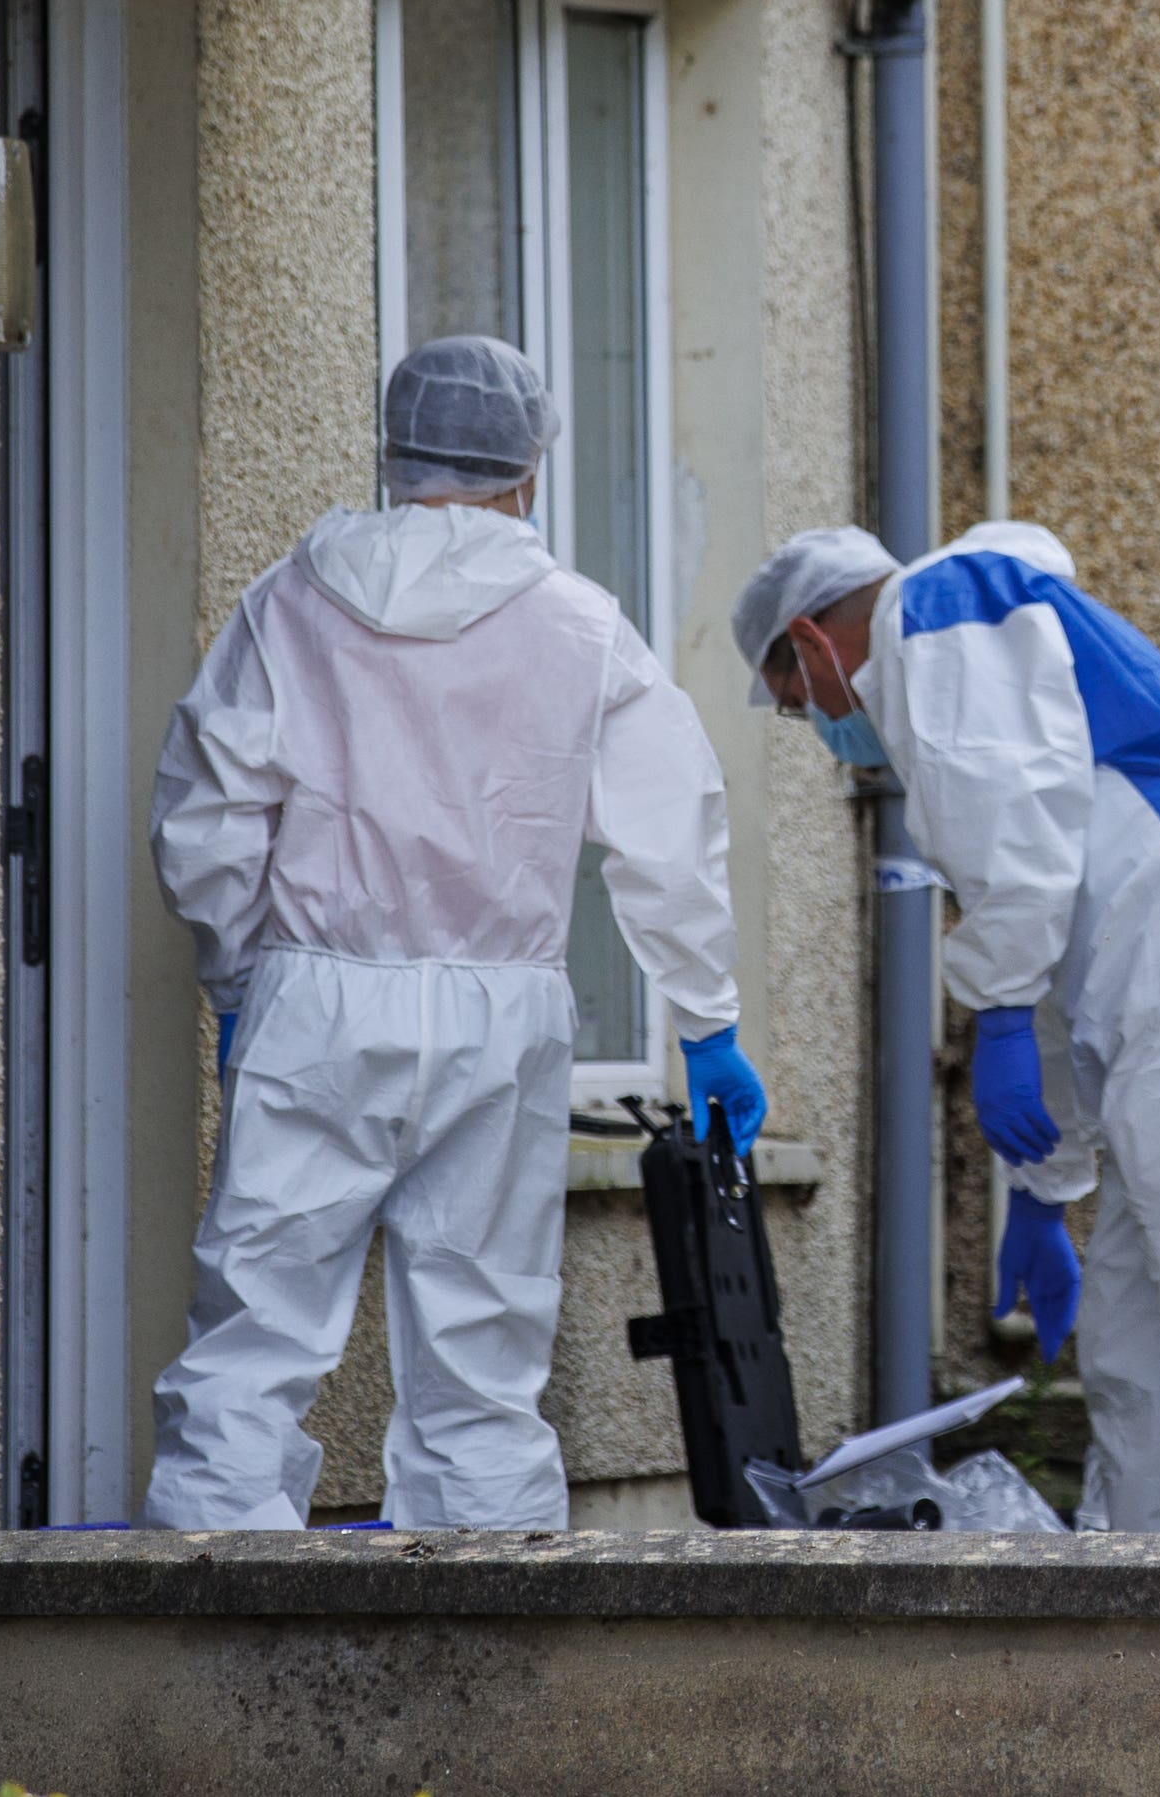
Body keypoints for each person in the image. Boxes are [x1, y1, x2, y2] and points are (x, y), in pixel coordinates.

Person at [140, 334, 751, 1532]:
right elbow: (671, 829)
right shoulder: (581, 627)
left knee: (256, 1333)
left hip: (315, 998)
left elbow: (206, 812)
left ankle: (200, 1638)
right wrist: (707, 1020)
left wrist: (233, 977)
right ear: (528, 467)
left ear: (395, 450)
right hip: (499, 1013)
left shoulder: (292, 599)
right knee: (482, 1359)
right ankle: (482, 1657)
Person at [729, 521, 1160, 1537]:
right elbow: (1044, 925)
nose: (814, 724)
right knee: (1139, 1331)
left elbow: (1019, 862)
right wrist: (1045, 1188)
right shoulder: (974, 672)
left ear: (813, 643)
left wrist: (992, 1010)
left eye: (793, 701)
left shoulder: (941, 603)